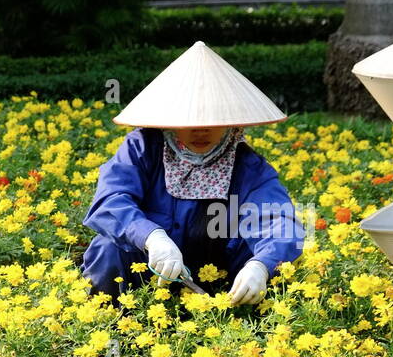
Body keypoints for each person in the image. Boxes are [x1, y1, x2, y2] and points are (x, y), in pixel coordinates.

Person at [81, 41, 307, 305]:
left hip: (219, 273)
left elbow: (281, 223)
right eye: (191, 120)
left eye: (212, 121)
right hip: (150, 265)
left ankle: (237, 325)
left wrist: (260, 266)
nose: (201, 131)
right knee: (107, 249)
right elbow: (110, 201)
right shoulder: (142, 147)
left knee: (274, 266)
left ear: (231, 120)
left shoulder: (249, 166)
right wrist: (151, 237)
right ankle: (112, 319)